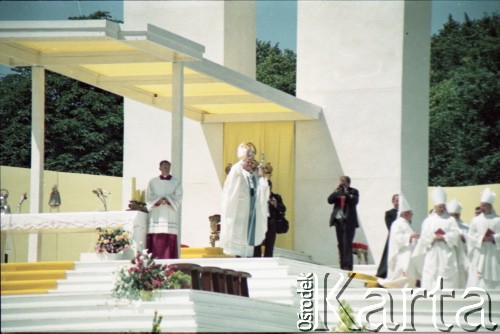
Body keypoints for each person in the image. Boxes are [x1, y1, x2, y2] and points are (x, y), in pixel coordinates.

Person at [220, 143, 270, 257]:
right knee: (237, 236)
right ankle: (238, 256)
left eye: (251, 162)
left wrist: (262, 177)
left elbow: (262, 191)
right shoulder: (237, 172)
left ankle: (247, 254)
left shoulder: (252, 176)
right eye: (247, 161)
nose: (249, 163)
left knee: (247, 238)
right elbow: (235, 172)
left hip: (250, 213)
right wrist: (244, 156)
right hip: (238, 212)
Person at [412, 187, 461, 289]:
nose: (442, 208)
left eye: (443, 206)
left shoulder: (451, 220)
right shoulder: (428, 221)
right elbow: (424, 236)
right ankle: (430, 291)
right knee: (431, 270)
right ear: (435, 207)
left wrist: (444, 237)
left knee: (446, 271)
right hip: (433, 250)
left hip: (446, 250)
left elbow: (456, 233)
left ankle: (447, 291)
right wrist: (434, 237)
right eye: (440, 206)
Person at [378, 193, 420, 288]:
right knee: (401, 275)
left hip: (408, 253)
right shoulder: (397, 224)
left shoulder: (406, 223)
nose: (412, 215)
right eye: (410, 213)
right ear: (405, 213)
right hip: (402, 254)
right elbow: (397, 238)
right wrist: (410, 236)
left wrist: (413, 236)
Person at [145, 160, 183, 259]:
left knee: (169, 234)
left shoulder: (176, 182)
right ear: (160, 168)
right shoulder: (153, 181)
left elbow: (179, 196)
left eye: (168, 166)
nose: (166, 168)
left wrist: (167, 199)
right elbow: (149, 197)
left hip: (169, 214)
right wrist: (159, 200)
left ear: (170, 168)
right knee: (156, 235)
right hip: (156, 214)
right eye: (164, 166)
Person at [466, 188, 500, 289]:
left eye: (485, 205)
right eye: (481, 205)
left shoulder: (498, 220)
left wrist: (494, 238)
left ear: (490, 206)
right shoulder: (476, 220)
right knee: (478, 277)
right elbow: (470, 235)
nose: (482, 208)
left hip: (494, 253)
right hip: (480, 252)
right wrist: (481, 238)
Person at [328, 175, 359, 271]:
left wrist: (346, 192)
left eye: (343, 182)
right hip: (338, 220)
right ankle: (342, 265)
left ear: (348, 183)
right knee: (341, 243)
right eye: (340, 182)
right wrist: (335, 190)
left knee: (347, 243)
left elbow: (354, 201)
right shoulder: (338, 192)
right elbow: (329, 200)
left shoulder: (354, 191)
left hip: (349, 221)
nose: (341, 184)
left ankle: (348, 266)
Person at [254, 179, 287, 257]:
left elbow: (283, 209)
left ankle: (267, 261)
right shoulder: (257, 196)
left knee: (269, 245)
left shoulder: (276, 197)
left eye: (269, 187)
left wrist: (276, 205)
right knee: (257, 244)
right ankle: (256, 260)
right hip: (259, 223)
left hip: (271, 224)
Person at [447, 198, 469, 288]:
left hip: (462, 254)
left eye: (456, 215)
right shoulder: (446, 225)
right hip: (450, 253)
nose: (454, 217)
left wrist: (464, 238)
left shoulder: (466, 227)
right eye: (452, 215)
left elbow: (471, 240)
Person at [376, 194, 399, 278]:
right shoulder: (389, 213)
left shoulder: (404, 213)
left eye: (399, 200)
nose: (398, 202)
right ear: (393, 202)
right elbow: (389, 226)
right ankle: (384, 273)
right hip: (392, 238)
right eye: (396, 200)